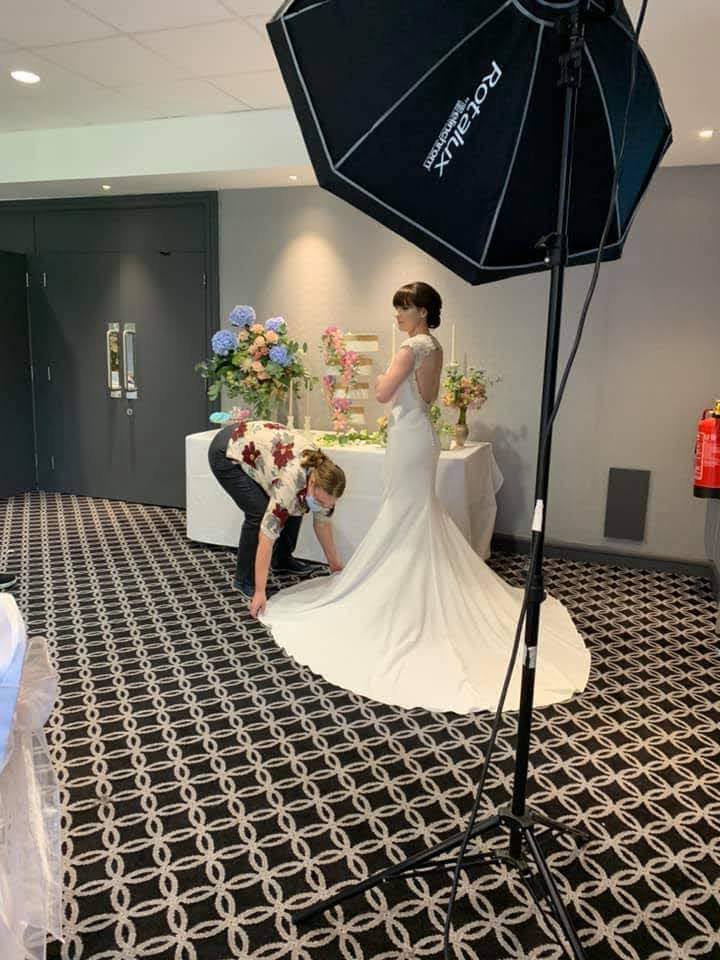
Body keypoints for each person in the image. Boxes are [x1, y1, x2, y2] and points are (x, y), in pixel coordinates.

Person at [259, 282, 591, 715]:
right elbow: (429, 396)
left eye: (402, 308)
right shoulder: (433, 347)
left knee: (405, 511)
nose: (396, 315)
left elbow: (381, 393)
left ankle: (403, 594)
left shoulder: (410, 348)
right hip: (422, 436)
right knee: (416, 511)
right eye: (397, 307)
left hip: (409, 438)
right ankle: (412, 582)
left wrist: (382, 377)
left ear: (420, 311)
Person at [208, 420, 346, 616]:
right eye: (321, 501)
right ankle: (244, 579)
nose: (324, 506)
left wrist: (335, 565)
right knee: (259, 513)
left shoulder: (325, 477)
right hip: (226, 451)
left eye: (329, 504)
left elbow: (322, 523)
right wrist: (260, 592)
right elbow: (266, 538)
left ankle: (281, 560)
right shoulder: (290, 483)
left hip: (258, 446)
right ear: (312, 482)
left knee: (297, 504)